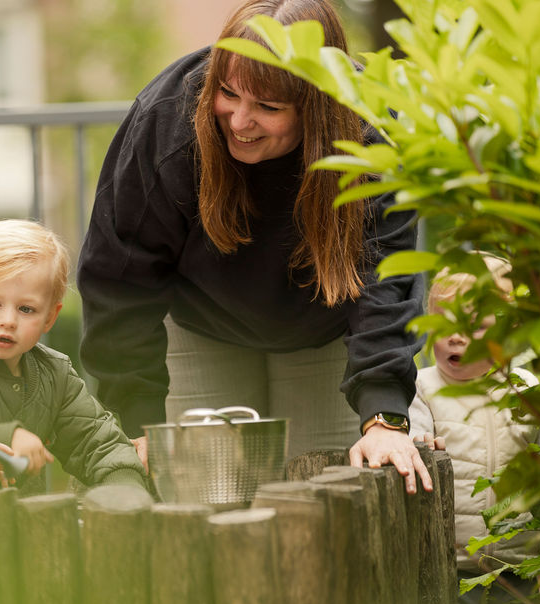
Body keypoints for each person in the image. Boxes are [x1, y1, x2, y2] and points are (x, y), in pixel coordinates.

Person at [77, 0, 431, 493]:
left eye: (268, 107)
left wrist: (383, 417)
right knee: (209, 504)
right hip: (202, 325)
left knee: (327, 498)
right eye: (228, 93)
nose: (240, 121)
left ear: (316, 107)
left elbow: (384, 281)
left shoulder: (369, 137)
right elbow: (120, 279)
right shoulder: (166, 124)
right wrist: (136, 418)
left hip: (328, 330)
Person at [0, 219, 152, 495]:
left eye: (26, 309)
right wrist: (5, 436)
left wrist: (125, 490)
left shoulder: (54, 374)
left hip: (31, 525)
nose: (8, 320)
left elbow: (96, 441)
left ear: (49, 317)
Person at [408, 255, 540, 604]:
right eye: (444, 326)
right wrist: (421, 444)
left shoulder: (524, 389)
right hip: (456, 570)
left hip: (520, 566)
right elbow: (413, 433)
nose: (456, 339)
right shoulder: (422, 388)